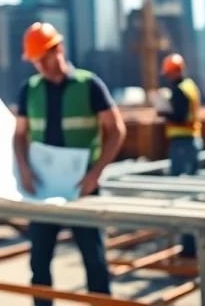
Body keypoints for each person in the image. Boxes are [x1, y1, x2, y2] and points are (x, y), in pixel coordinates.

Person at [13, 22, 127, 306]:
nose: (39, 66)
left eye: (42, 58)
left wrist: (95, 174)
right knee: (39, 265)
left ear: (58, 49)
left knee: (95, 264)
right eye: (35, 61)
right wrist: (24, 170)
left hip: (83, 190)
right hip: (42, 189)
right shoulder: (29, 90)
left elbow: (117, 129)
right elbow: (19, 135)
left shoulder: (89, 85)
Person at [157, 53, 205, 259]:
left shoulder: (179, 90)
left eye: (169, 73)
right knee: (194, 193)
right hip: (193, 141)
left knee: (182, 195)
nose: (168, 77)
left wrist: (164, 113)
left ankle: (190, 247)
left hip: (182, 145)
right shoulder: (191, 87)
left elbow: (180, 116)